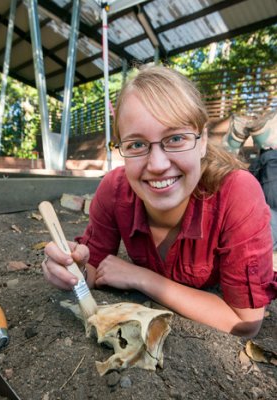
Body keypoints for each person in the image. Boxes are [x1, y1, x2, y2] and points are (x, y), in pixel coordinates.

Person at [42, 65, 277, 337]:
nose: (157, 164)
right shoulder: (114, 189)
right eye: (137, 145)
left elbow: (245, 322)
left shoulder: (237, 193)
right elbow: (93, 271)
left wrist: (142, 278)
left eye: (176, 138)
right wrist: (72, 268)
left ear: (202, 141)